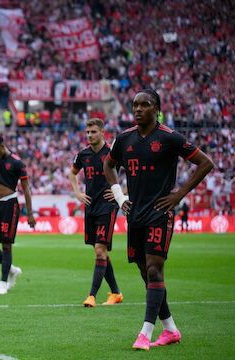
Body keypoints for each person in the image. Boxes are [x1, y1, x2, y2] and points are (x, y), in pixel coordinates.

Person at [104, 89, 214, 351]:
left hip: (160, 212)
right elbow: (109, 165)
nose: (138, 109)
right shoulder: (124, 139)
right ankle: (171, 330)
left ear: (157, 109)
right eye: (135, 105)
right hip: (135, 213)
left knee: (154, 269)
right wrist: (120, 198)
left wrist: (179, 195)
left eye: (145, 104)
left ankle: (145, 333)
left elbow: (205, 162)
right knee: (146, 272)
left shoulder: (170, 137)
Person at [68, 118, 123, 307]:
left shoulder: (112, 154)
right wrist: (77, 193)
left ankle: (92, 295)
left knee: (100, 251)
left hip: (108, 206)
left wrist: (122, 192)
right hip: (91, 206)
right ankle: (116, 293)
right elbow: (72, 173)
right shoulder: (83, 155)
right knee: (101, 252)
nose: (90, 135)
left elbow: (134, 173)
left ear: (102, 133)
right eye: (88, 132)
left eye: (93, 132)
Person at [0, 135, 36, 294]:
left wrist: (30, 213)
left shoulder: (17, 163)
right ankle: (12, 269)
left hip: (10, 204)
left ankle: (3, 283)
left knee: (6, 244)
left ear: (1, 145)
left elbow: (26, 188)